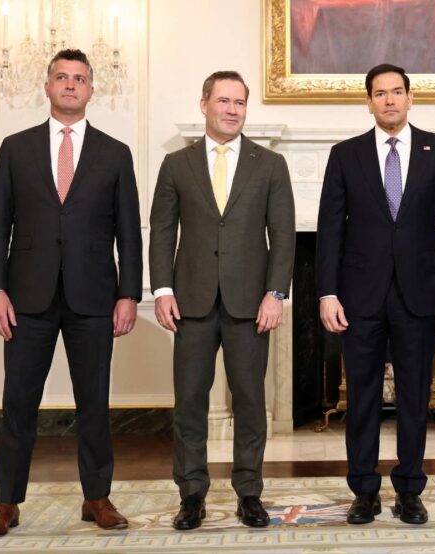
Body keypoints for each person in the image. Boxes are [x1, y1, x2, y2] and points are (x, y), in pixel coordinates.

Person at [0, 49, 141, 538]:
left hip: (95, 297)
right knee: (18, 403)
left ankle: (97, 497)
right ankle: (6, 502)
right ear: (47, 86)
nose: (71, 85)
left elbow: (129, 231)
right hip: (26, 298)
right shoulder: (15, 148)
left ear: (92, 89)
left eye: (80, 79)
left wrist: (129, 294)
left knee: (94, 402)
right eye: (62, 77)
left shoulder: (115, 153)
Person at [316, 63, 435, 525]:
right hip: (358, 296)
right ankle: (364, 491)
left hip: (420, 294)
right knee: (362, 398)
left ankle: (409, 489)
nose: (389, 100)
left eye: (397, 91)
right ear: (368, 102)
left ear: (410, 97)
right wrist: (326, 292)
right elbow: (329, 229)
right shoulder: (345, 154)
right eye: (380, 93)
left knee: (414, 397)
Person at [148, 71, 295, 530]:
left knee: (251, 402)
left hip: (250, 305)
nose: (232, 110)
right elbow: (161, 232)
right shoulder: (177, 164)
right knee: (189, 403)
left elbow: (284, 236)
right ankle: (191, 495)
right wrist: (162, 290)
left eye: (240, 103)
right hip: (189, 303)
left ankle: (249, 493)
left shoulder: (270, 164)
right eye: (224, 101)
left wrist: (275, 294)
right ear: (204, 104)